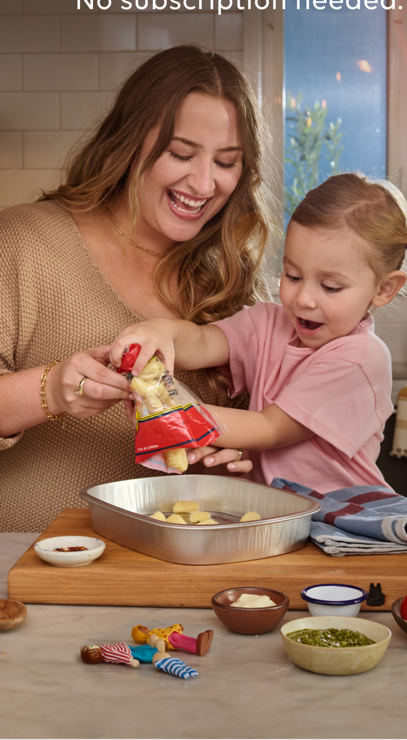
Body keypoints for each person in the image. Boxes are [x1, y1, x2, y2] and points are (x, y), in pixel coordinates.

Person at [0, 46, 273, 530]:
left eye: (227, 162)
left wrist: (230, 456)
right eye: (181, 154)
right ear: (128, 143)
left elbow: (256, 438)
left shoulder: (231, 280)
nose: (204, 182)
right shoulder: (22, 243)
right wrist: (51, 390)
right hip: (25, 563)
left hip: (174, 569)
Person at [110, 173, 407, 493]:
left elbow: (271, 428)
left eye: (330, 286)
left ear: (384, 289)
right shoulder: (267, 322)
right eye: (293, 276)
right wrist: (164, 334)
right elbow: (203, 341)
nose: (304, 299)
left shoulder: (361, 358)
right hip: (282, 515)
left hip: (341, 520)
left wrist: (175, 412)